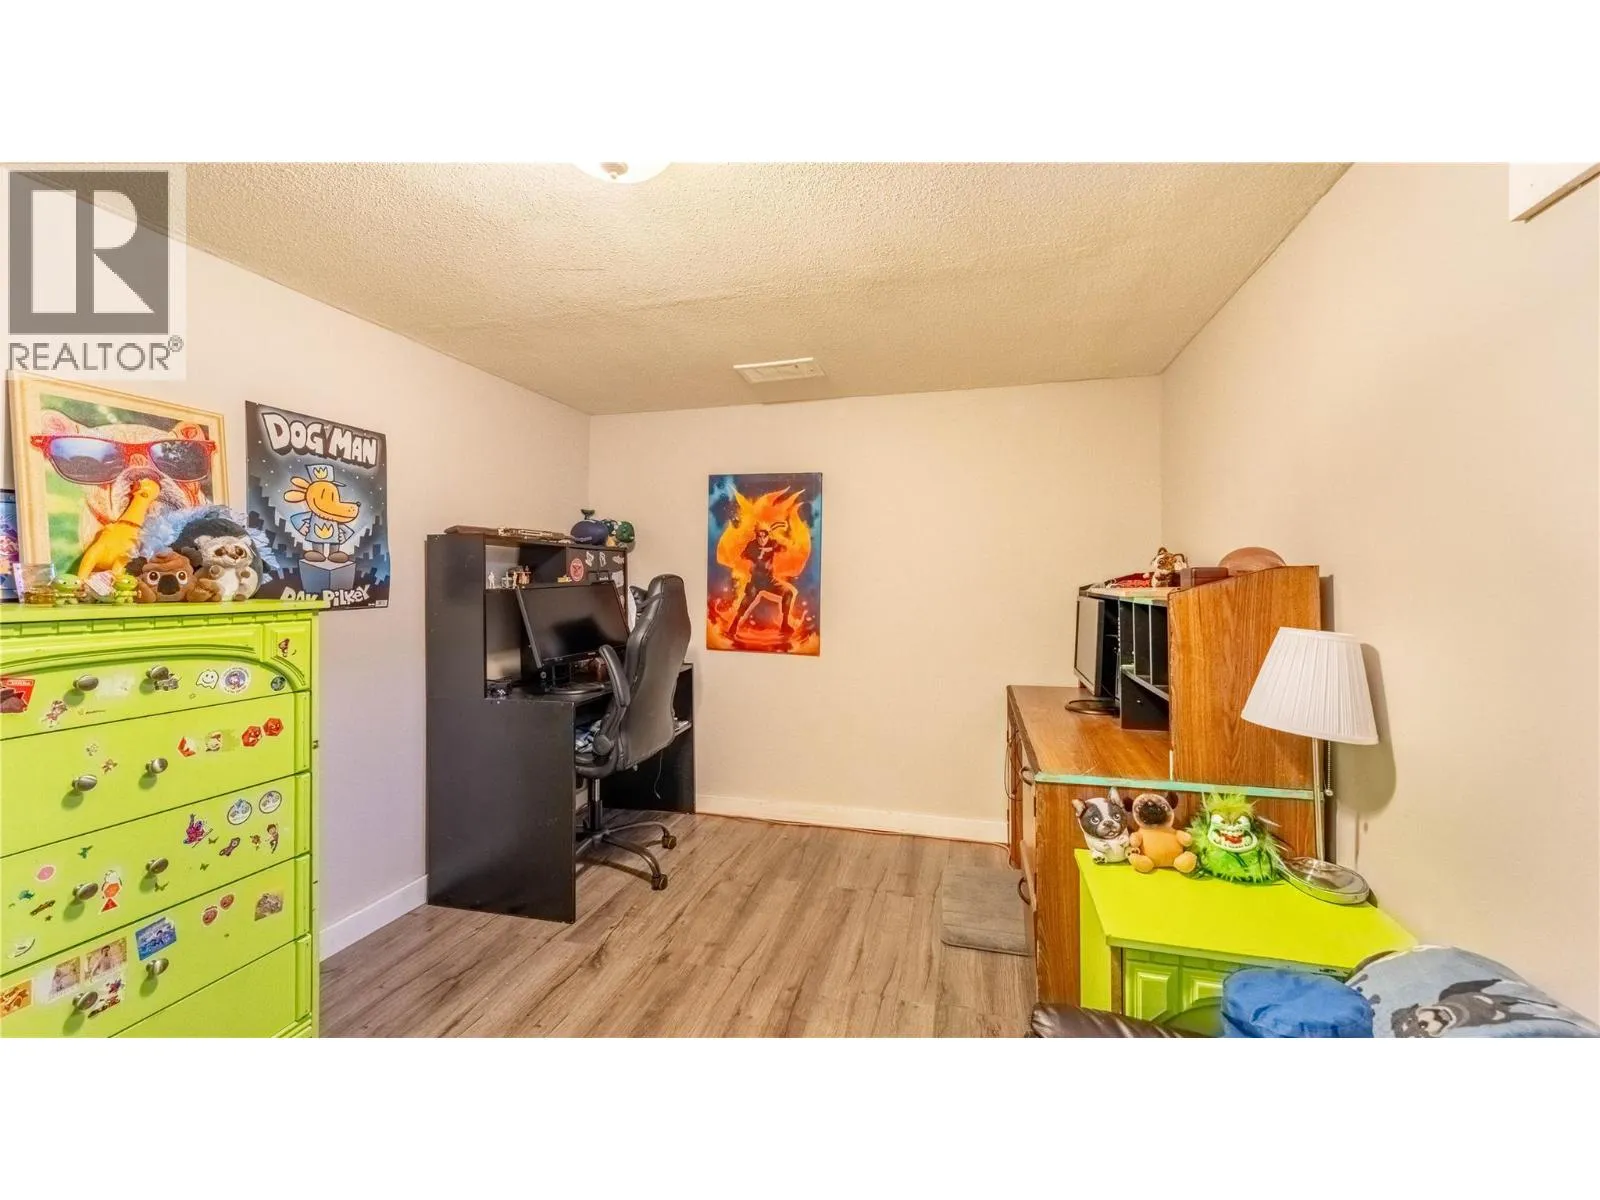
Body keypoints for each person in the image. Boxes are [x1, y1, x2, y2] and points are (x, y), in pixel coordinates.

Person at [727, 521, 797, 643]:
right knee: (746, 600)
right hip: (756, 582)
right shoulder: (752, 545)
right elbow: (743, 555)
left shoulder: (772, 542)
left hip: (769, 581)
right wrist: (755, 554)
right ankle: (734, 625)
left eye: (764, 536)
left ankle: (784, 624)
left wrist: (773, 547)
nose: (762, 539)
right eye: (759, 536)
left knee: (788, 593)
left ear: (768, 535)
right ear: (756, 535)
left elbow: (784, 548)